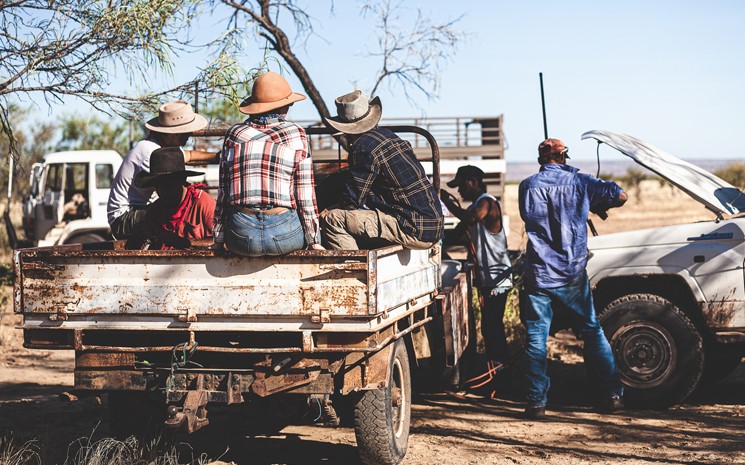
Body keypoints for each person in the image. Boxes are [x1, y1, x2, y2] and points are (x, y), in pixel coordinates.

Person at [518, 138, 628, 419]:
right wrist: (595, 202)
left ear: (542, 159)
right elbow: (621, 196)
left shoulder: (527, 186)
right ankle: (612, 395)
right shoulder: (580, 182)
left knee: (535, 338)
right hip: (571, 273)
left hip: (539, 274)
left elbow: (528, 217)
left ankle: (535, 402)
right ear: (564, 156)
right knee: (592, 332)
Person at [213, 71, 324, 255]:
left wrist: (218, 238)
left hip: (241, 236)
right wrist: (313, 240)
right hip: (284, 235)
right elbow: (305, 193)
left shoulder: (234, 134)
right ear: (284, 107)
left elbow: (224, 193)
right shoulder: (296, 133)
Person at [321, 90, 444, 250]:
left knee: (333, 219)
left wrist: (328, 210)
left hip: (412, 227)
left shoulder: (363, 148)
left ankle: (353, 271)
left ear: (346, 129)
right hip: (432, 224)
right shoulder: (390, 137)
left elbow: (351, 201)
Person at [107, 100, 216, 240]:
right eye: (186, 133)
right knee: (175, 208)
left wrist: (217, 156)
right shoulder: (150, 152)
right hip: (125, 217)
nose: (189, 136)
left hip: (138, 210)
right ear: (174, 134)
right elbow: (171, 184)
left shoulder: (161, 149)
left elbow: (188, 155)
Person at [440, 165, 513, 374]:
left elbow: (470, 219)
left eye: (461, 185)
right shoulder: (474, 208)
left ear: (472, 181)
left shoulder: (487, 203)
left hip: (497, 277)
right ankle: (498, 370)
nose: (460, 191)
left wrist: (448, 203)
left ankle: (499, 372)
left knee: (492, 327)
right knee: (490, 328)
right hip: (488, 278)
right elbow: (456, 234)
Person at [129, 147, 215, 250]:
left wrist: (185, 242)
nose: (163, 191)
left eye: (168, 185)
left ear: (181, 181)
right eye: (158, 185)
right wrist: (138, 238)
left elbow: (223, 242)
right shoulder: (155, 211)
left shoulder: (203, 203)